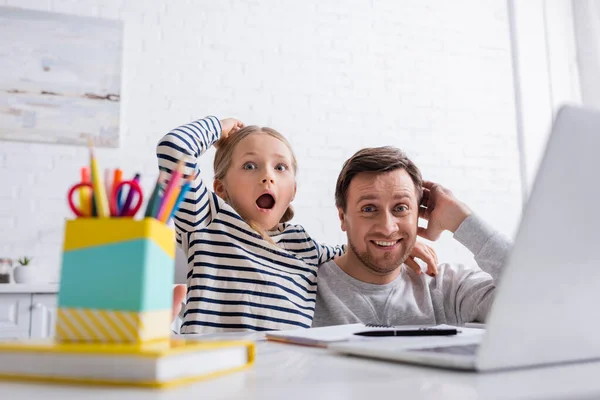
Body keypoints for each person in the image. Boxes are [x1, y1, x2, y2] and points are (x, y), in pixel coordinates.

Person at [158, 117, 438, 333]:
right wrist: (219, 127)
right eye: (249, 166)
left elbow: (359, 250)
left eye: (280, 168)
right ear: (221, 187)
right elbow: (174, 150)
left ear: (292, 191)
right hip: (212, 372)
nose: (267, 177)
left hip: (287, 378)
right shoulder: (207, 221)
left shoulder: (304, 247)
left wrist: (396, 243)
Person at [312, 146, 512, 327]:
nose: (388, 228)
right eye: (369, 208)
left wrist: (462, 220)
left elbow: (536, 298)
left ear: (418, 214)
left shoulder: (447, 288)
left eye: (400, 208)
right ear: (342, 217)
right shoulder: (303, 287)